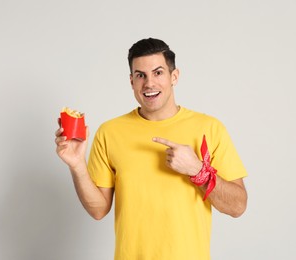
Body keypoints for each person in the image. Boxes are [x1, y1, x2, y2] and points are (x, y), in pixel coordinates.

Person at [55, 38, 248, 260]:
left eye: (158, 73)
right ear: (131, 81)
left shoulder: (210, 128)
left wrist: (198, 170)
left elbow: (238, 206)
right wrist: (77, 165)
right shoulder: (109, 132)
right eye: (140, 75)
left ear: (174, 76)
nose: (149, 83)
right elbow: (98, 210)